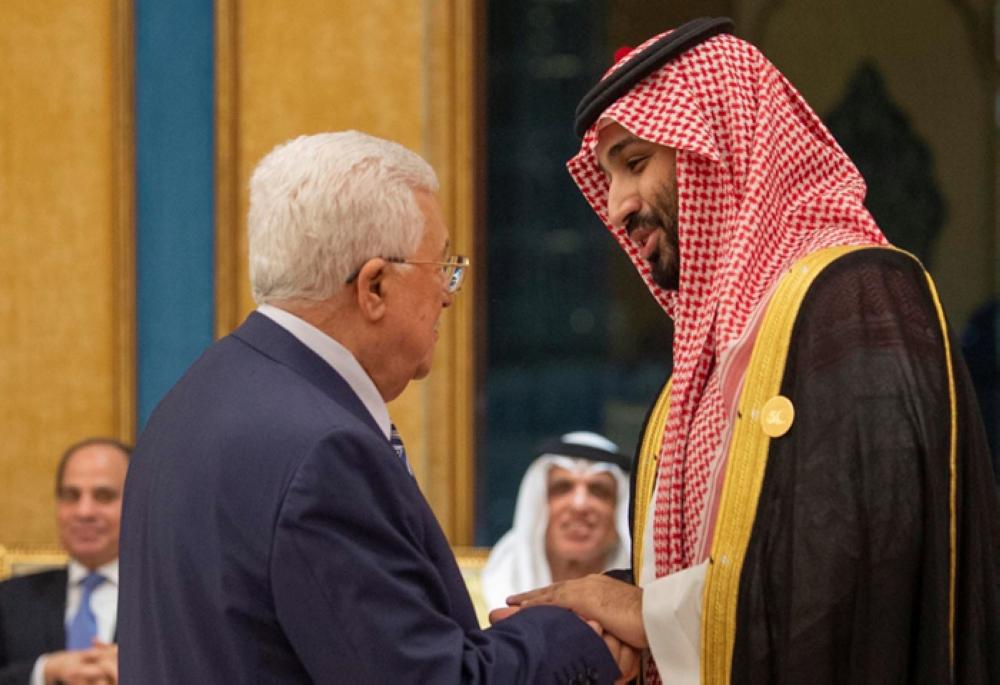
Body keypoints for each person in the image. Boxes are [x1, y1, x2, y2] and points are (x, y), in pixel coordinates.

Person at [508, 17, 1000, 683]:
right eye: (607, 176)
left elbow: (864, 581)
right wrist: (592, 617)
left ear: (722, 144)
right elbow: (718, 562)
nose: (617, 206)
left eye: (634, 163)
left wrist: (643, 612)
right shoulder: (707, 358)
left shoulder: (860, 300)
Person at [118, 131, 636, 684]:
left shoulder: (192, 399)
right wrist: (581, 632)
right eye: (442, 266)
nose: (448, 293)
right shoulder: (323, 451)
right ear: (374, 288)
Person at [0, 438, 128, 685]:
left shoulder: (169, 600)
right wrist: (42, 672)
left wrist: (140, 672)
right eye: (71, 495)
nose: (84, 512)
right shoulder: (9, 599)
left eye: (103, 496)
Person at [481, 431, 630, 612]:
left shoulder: (642, 599)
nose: (579, 505)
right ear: (537, 506)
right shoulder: (483, 592)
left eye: (598, 491)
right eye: (562, 488)